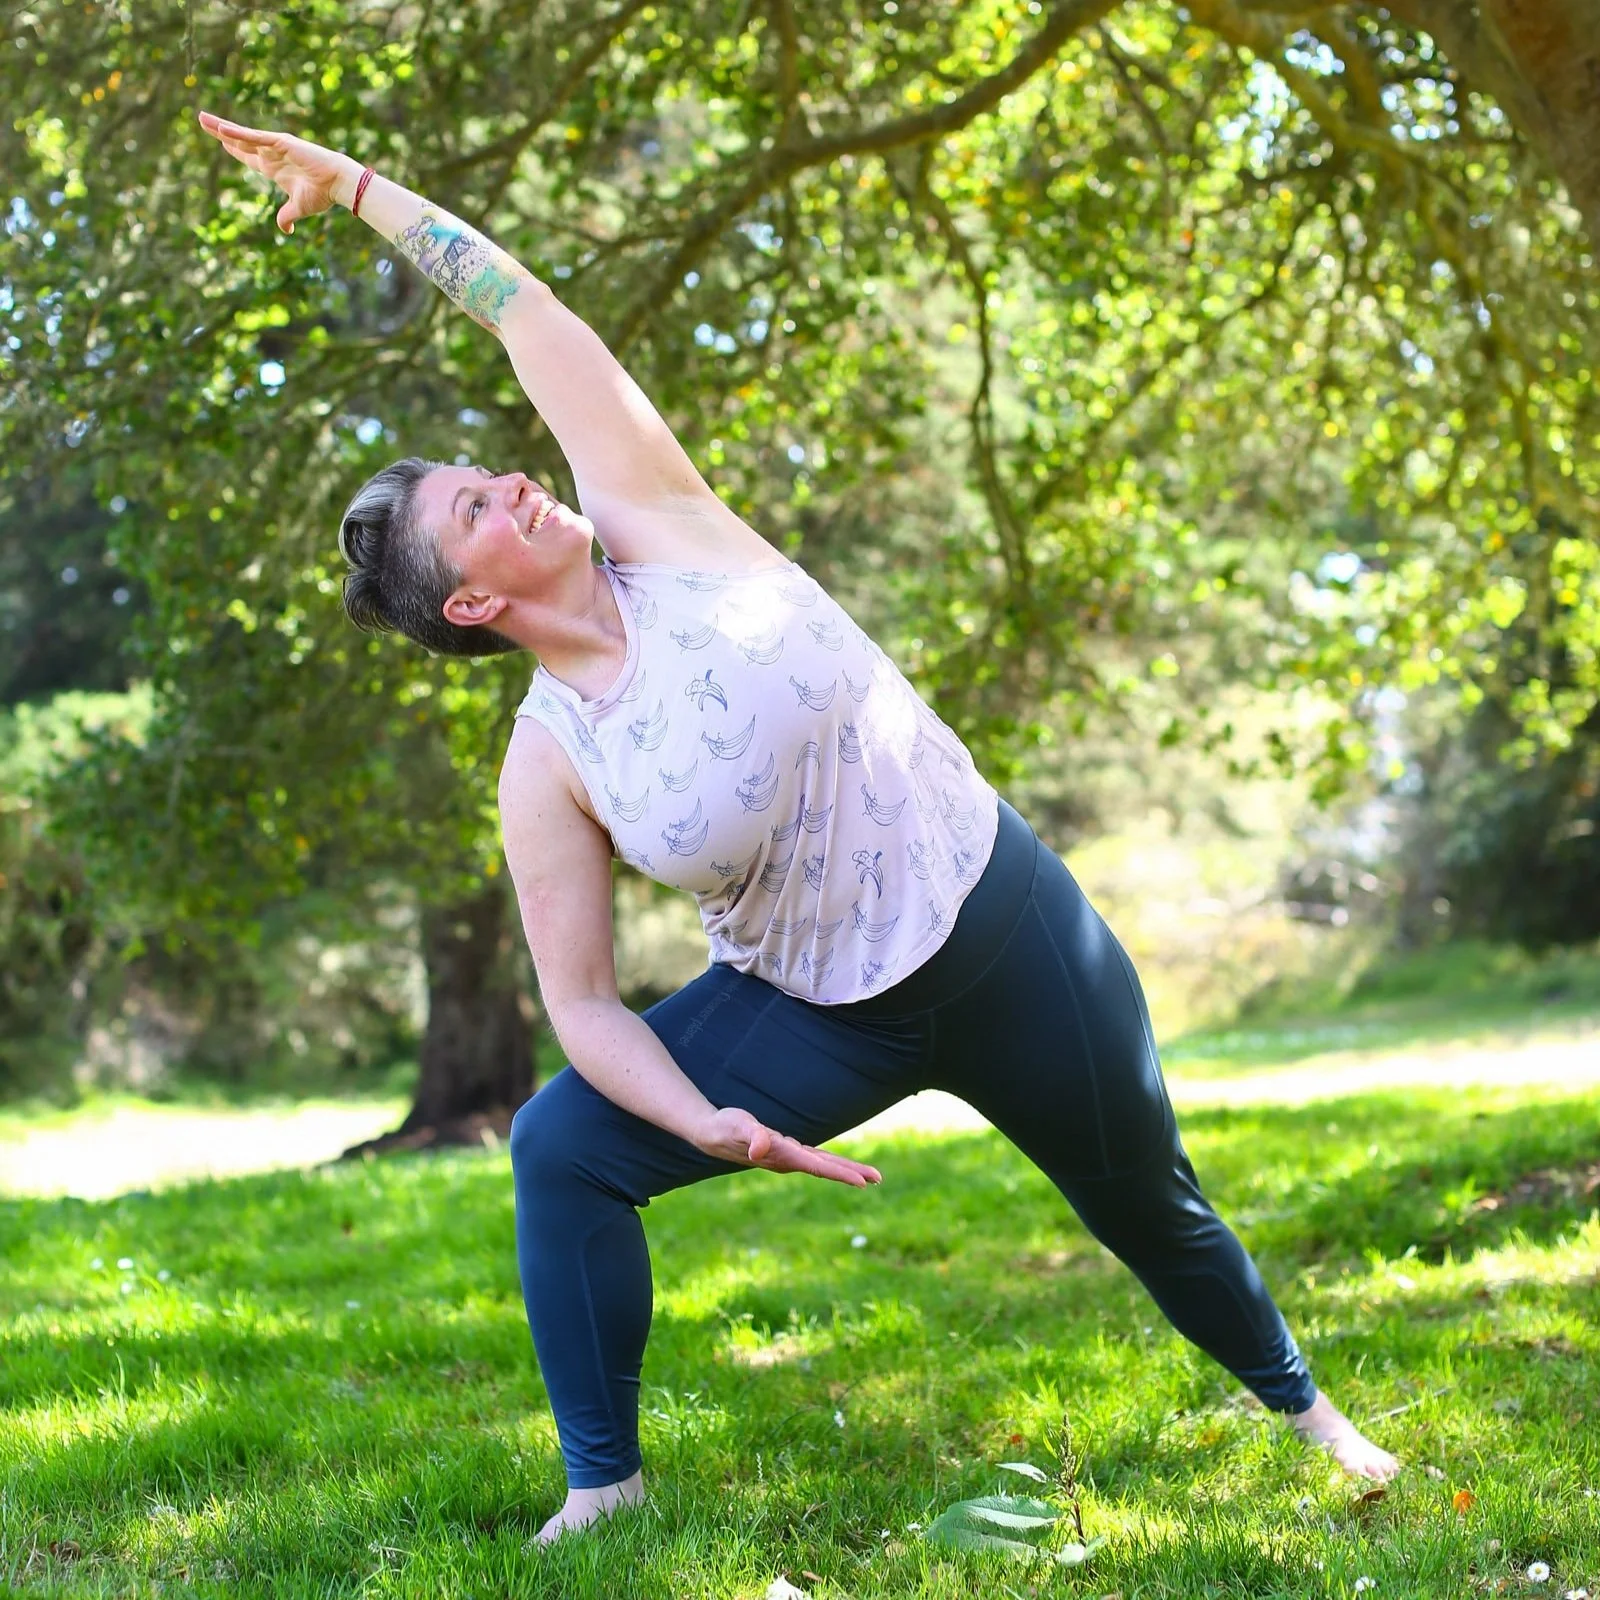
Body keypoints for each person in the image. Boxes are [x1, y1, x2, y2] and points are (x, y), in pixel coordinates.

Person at [198, 111, 1403, 1543]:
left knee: (1149, 1201)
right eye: (478, 507)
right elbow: (580, 1005)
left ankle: (1315, 1417)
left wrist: (357, 191)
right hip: (817, 1010)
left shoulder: (659, 522)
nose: (514, 477)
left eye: (493, 468)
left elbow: (528, 313)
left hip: (1006, 926)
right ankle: (605, 1489)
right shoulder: (547, 762)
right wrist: (703, 1117)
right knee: (561, 1146)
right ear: (470, 602)